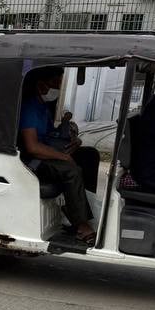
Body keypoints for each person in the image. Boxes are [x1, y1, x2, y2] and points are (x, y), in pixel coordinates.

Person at [18, 67, 95, 244]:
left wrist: (73, 139)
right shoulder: (30, 108)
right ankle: (81, 225)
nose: (58, 88)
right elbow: (32, 147)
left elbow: (50, 135)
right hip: (33, 160)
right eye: (55, 83)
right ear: (41, 85)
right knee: (71, 170)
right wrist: (63, 156)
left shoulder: (43, 107)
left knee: (89, 156)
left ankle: (81, 207)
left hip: (45, 152)